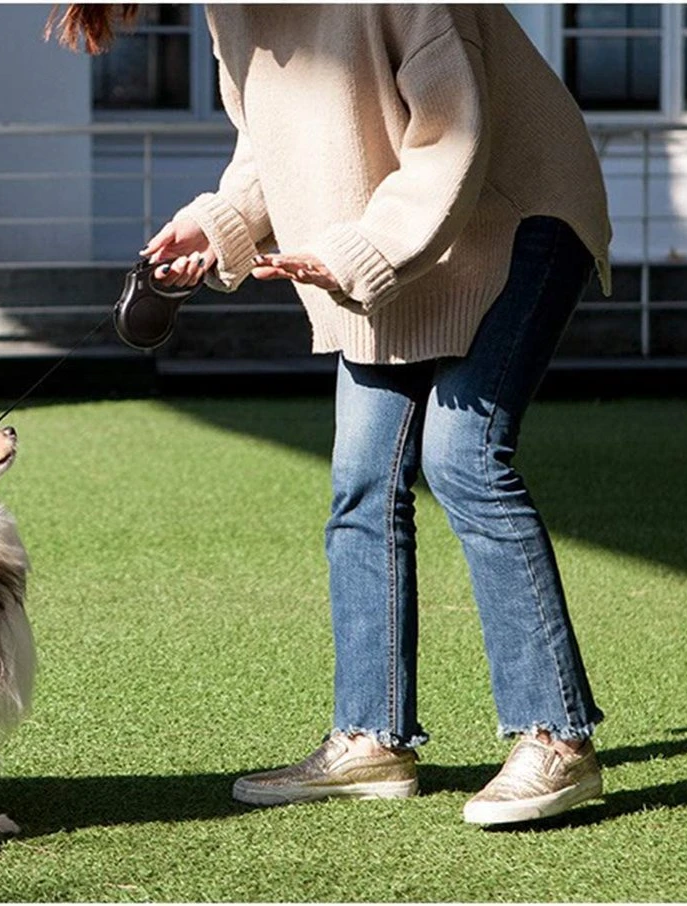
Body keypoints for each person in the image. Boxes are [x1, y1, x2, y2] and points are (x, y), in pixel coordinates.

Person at [50, 4, 610, 826]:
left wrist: (365, 248)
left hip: (516, 205)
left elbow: (457, 137)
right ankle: (371, 740)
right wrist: (221, 220)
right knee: (359, 479)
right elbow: (273, 139)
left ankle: (559, 741)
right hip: (394, 227)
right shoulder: (229, 10)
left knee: (464, 455)